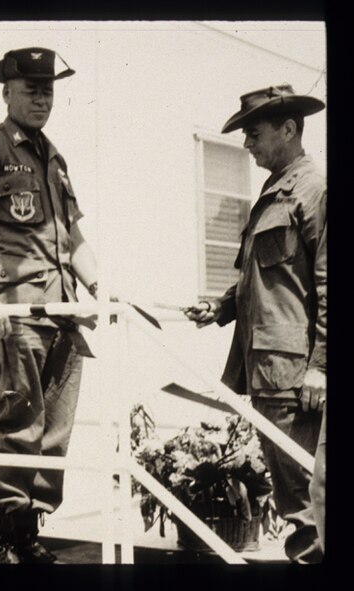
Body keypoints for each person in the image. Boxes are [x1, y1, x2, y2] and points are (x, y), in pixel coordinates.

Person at [0, 47, 101, 564]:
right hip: (14, 314)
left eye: (49, 89)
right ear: (7, 92)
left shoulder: (55, 159)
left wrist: (101, 286)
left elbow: (74, 236)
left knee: (52, 435)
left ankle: (27, 534)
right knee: (16, 425)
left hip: (62, 317)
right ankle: (1, 543)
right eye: (31, 88)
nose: (41, 98)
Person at [185, 84, 326, 563]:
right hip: (266, 367)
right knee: (296, 498)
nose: (246, 144)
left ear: (289, 129)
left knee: (306, 501)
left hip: (293, 375)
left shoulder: (314, 191)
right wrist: (221, 308)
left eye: (254, 133)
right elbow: (265, 278)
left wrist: (320, 367)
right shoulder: (273, 191)